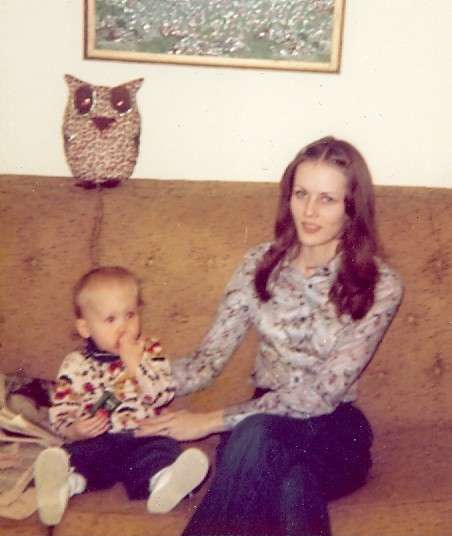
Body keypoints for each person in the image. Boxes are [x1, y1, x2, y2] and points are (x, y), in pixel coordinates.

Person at [135, 137, 404, 536]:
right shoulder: (257, 265)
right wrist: (138, 378)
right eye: (301, 194)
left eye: (327, 199)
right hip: (258, 427)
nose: (309, 212)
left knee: (257, 434)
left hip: (334, 430)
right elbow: (207, 361)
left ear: (352, 208)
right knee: (290, 483)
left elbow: (322, 394)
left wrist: (209, 421)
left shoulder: (381, 285)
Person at [34, 266, 209, 526]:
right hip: (99, 439)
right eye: (111, 319)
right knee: (79, 456)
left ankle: (165, 483)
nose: (124, 327)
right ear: (85, 328)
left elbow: (163, 394)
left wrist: (136, 365)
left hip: (143, 436)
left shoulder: (149, 351)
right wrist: (75, 429)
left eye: (130, 315)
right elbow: (62, 409)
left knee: (160, 451)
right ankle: (64, 485)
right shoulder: (75, 363)